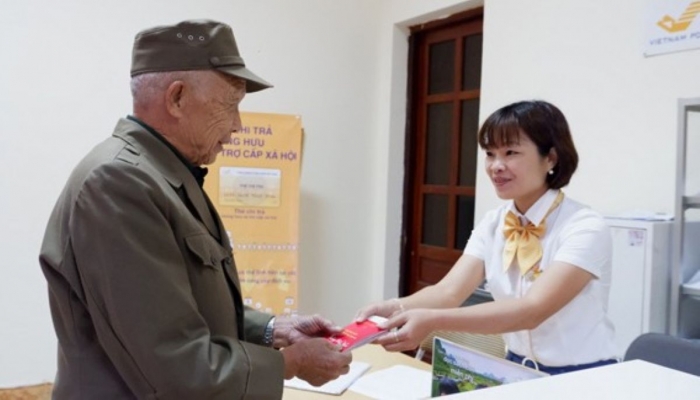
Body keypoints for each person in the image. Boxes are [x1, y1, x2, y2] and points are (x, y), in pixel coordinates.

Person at [39, 19, 351, 399]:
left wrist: (274, 330)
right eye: (230, 106)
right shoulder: (119, 184)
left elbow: (187, 309)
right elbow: (174, 364)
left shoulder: (164, 175)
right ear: (177, 98)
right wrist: (292, 363)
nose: (237, 126)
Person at [356, 100, 618, 375]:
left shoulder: (584, 226)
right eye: (490, 154)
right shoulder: (494, 223)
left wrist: (431, 320)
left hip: (583, 374)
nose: (496, 166)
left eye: (510, 152)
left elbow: (532, 310)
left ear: (551, 158)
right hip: (515, 367)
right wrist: (392, 308)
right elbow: (448, 292)